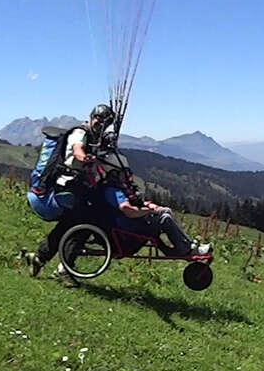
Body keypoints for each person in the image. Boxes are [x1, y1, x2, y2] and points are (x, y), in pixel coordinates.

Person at [23, 103, 116, 279]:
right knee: (86, 222)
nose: (99, 124)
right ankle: (65, 270)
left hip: (77, 186)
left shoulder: (97, 138)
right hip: (68, 185)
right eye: (98, 119)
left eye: (104, 123)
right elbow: (77, 149)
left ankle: (39, 257)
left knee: (69, 223)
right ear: (91, 117)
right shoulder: (80, 133)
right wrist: (84, 157)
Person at [100, 160, 212, 257]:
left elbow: (135, 203)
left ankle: (187, 245)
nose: (127, 177)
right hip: (127, 233)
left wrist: (152, 206)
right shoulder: (113, 191)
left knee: (166, 211)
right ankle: (186, 249)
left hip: (133, 226)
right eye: (123, 174)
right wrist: (149, 210)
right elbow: (128, 210)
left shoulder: (117, 189)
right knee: (164, 219)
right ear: (115, 175)